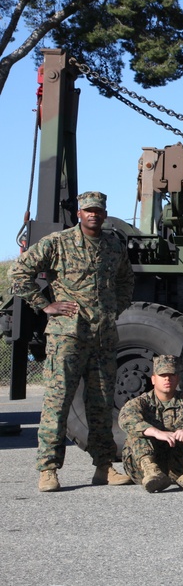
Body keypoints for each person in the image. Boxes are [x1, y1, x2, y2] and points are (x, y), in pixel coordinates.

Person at [10, 190, 135, 492]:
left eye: (98, 210)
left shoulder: (113, 245)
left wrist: (114, 308)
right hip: (68, 335)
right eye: (88, 210)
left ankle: (104, 466)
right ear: (79, 213)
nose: (94, 214)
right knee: (58, 402)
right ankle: (48, 469)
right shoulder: (58, 243)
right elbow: (19, 272)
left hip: (103, 336)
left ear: (105, 214)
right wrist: (44, 305)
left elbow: (126, 280)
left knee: (101, 404)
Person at [118, 355, 183, 492]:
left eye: (171, 375)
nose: (167, 379)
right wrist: (157, 433)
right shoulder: (141, 402)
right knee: (138, 430)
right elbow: (126, 418)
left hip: (178, 465)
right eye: (162, 375)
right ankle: (152, 471)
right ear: (153, 379)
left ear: (178, 378)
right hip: (143, 469)